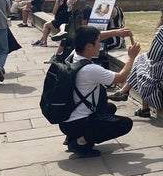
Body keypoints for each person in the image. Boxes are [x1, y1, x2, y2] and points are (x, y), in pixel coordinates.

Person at [58, 25, 141, 157]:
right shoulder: (90, 69)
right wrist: (131, 57)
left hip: (66, 119)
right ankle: (81, 142)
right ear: (89, 46)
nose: (100, 44)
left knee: (109, 108)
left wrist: (116, 32)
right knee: (125, 124)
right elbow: (120, 78)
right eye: (98, 42)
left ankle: (73, 137)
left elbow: (93, 37)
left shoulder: (74, 55)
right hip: (77, 123)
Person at [108, 0, 163, 119]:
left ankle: (128, 93)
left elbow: (153, 56)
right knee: (142, 61)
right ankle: (129, 96)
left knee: (141, 61)